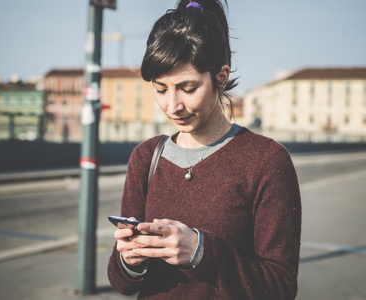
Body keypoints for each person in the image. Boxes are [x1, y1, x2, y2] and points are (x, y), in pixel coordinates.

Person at [107, 1, 301, 299]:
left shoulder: (267, 161)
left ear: (220, 78)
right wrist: (129, 259)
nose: (173, 106)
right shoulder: (146, 157)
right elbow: (123, 283)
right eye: (161, 89)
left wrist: (201, 251)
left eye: (187, 88)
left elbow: (281, 288)